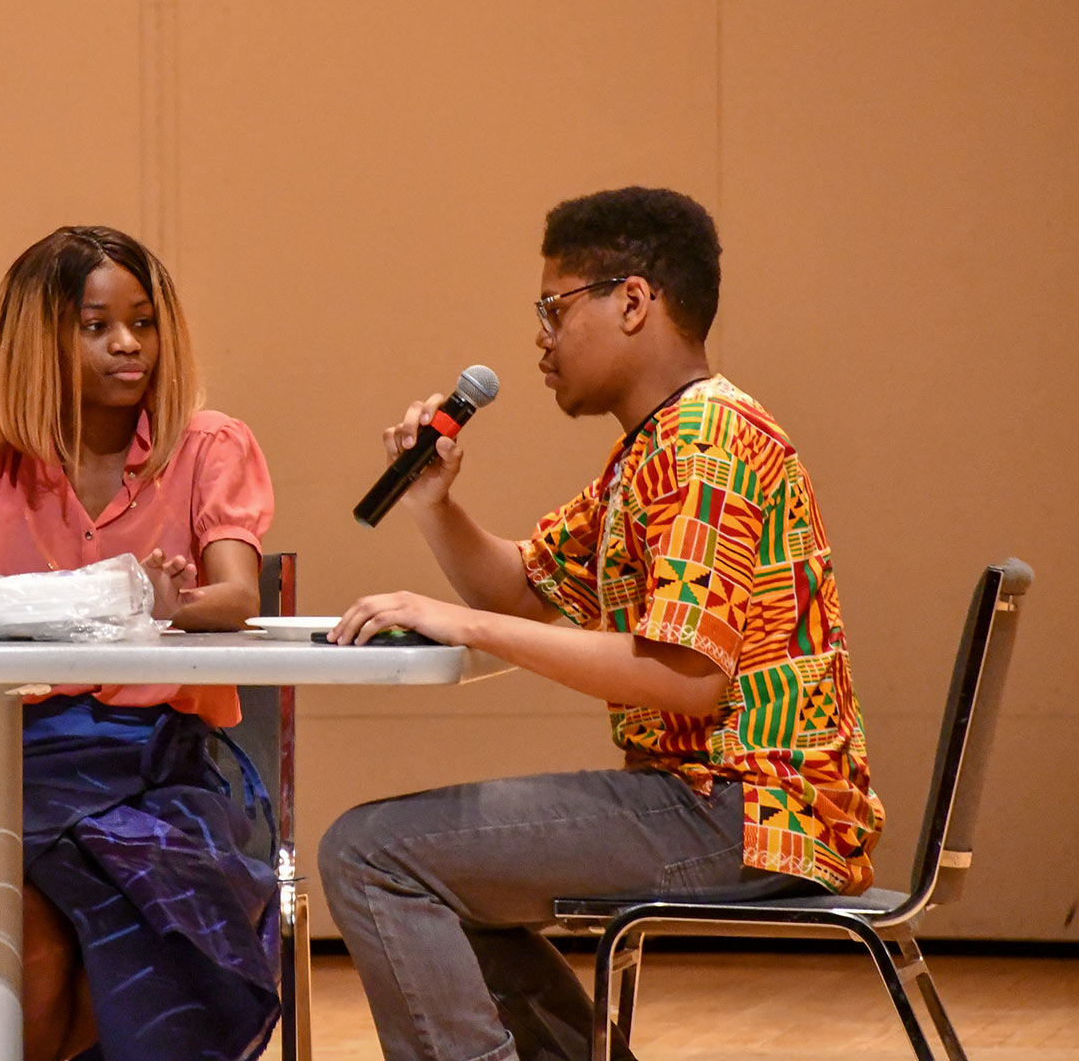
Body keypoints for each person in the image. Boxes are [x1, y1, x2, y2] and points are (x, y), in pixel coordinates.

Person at [318, 187, 883, 1061]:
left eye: (553, 308)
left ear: (632, 301)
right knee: (432, 868)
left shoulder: (704, 443)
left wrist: (463, 628)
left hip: (741, 809)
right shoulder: (656, 447)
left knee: (370, 852)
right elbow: (525, 588)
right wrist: (434, 504)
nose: (540, 339)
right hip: (720, 802)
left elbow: (684, 677)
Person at [0, 225, 280, 1061]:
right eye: (97, 325)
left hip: (164, 771)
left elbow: (237, 596)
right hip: (22, 771)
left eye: (143, 323)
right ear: (39, 342)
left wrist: (174, 606)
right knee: (27, 963)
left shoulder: (211, 446)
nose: (128, 344)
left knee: (150, 952)